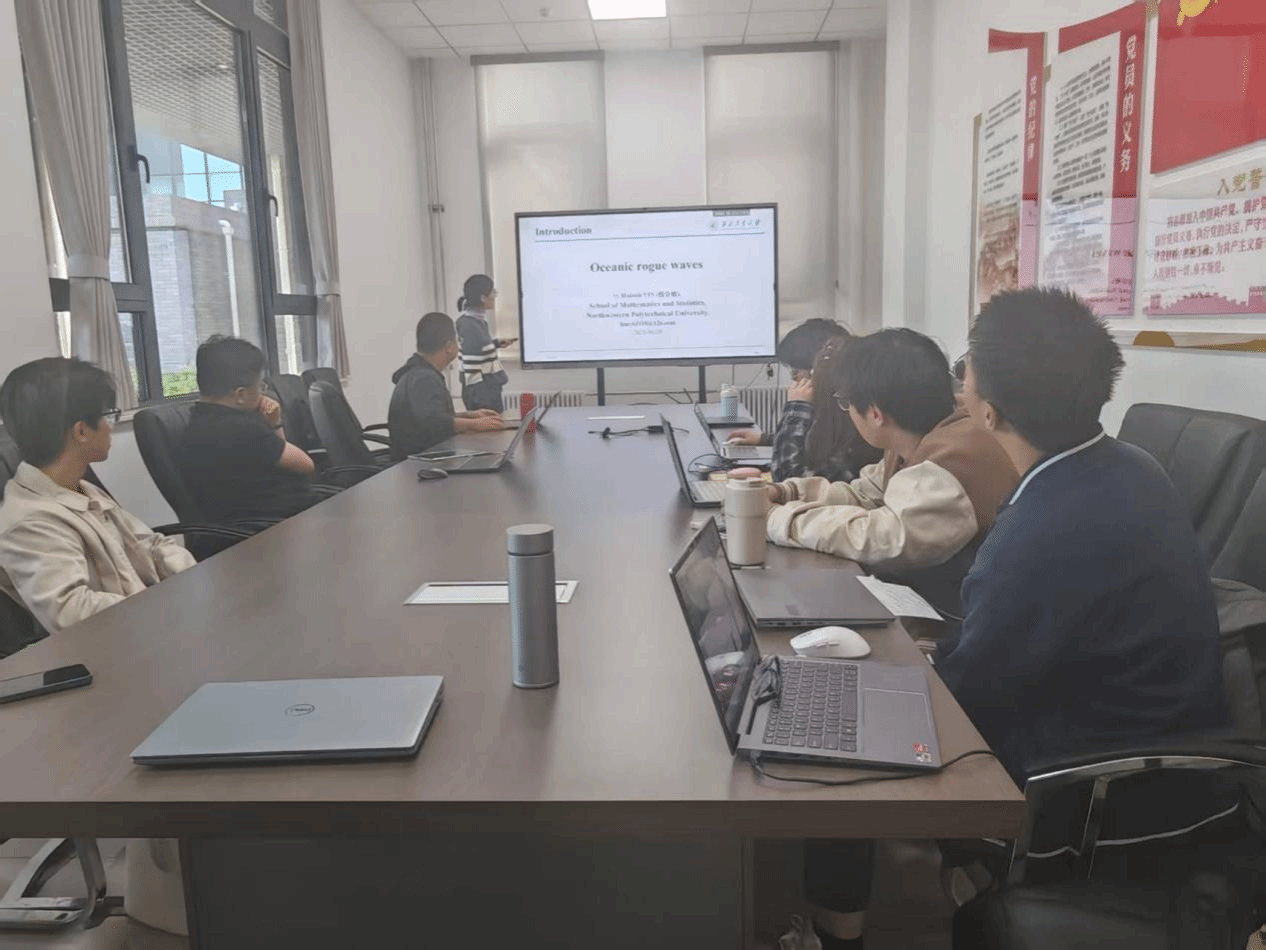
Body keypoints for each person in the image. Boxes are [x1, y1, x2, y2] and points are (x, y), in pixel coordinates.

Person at [796, 290, 1232, 950]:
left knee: (839, 754)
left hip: (1085, 781)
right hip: (1145, 747)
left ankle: (835, 939)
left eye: (965, 369)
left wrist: (892, 669)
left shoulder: (1044, 527)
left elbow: (970, 698)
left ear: (988, 408)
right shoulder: (1123, 466)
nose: (959, 382)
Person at [765, 328, 1018, 615]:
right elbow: (865, 494)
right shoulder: (921, 431)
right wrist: (784, 493)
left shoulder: (952, 461)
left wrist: (775, 518)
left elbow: (883, 538)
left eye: (846, 403)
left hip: (958, 618)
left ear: (875, 414)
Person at [0, 357, 195, 635]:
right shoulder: (28, 522)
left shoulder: (80, 488)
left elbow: (149, 543)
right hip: (118, 645)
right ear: (81, 431)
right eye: (107, 415)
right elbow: (72, 612)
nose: (110, 425)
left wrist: (189, 579)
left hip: (149, 625)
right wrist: (160, 607)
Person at [180, 336, 320, 524]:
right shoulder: (243, 428)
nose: (263, 392)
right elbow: (305, 465)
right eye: (260, 386)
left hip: (260, 521)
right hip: (277, 526)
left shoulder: (196, 422)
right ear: (240, 394)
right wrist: (275, 423)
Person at [727, 319, 862, 482]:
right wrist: (765, 439)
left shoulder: (851, 414)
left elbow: (787, 478)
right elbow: (816, 439)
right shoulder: (837, 406)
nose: (793, 377)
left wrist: (797, 408)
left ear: (818, 369)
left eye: (796, 370)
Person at [389, 312, 507, 460]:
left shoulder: (419, 374)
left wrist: (469, 415)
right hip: (421, 464)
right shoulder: (423, 378)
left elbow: (431, 416)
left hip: (429, 457)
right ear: (449, 347)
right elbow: (433, 423)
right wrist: (474, 424)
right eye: (457, 341)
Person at [456, 274, 514, 413]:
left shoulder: (477, 321)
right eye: (493, 292)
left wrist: (495, 344)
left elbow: (478, 349)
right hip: (482, 394)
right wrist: (480, 405)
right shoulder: (470, 325)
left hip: (488, 389)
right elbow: (471, 368)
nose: (495, 295)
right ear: (483, 298)